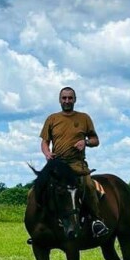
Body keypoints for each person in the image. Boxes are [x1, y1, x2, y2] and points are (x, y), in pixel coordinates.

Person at [39, 87, 110, 238]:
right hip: (57, 164)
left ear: (75, 99)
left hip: (77, 164)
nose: (67, 101)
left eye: (70, 98)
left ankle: (97, 221)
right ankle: (40, 226)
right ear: (59, 100)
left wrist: (85, 142)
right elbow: (45, 142)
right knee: (38, 189)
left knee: (89, 186)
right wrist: (47, 153)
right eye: (64, 98)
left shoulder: (84, 118)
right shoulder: (52, 119)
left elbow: (95, 140)